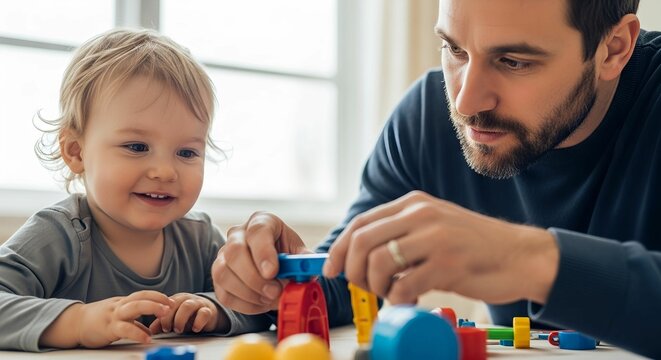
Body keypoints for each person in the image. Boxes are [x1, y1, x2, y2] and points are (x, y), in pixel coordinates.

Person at [211, 0, 661, 357]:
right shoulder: (428, 116)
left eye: (513, 61)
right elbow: (349, 279)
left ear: (613, 47)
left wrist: (529, 260)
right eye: (454, 49)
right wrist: (276, 280)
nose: (465, 103)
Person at [0, 29, 271, 352]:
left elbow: (260, 307)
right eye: (137, 146)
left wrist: (214, 310)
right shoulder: (59, 235)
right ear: (75, 151)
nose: (164, 171)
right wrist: (78, 322)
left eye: (186, 152)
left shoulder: (199, 239)